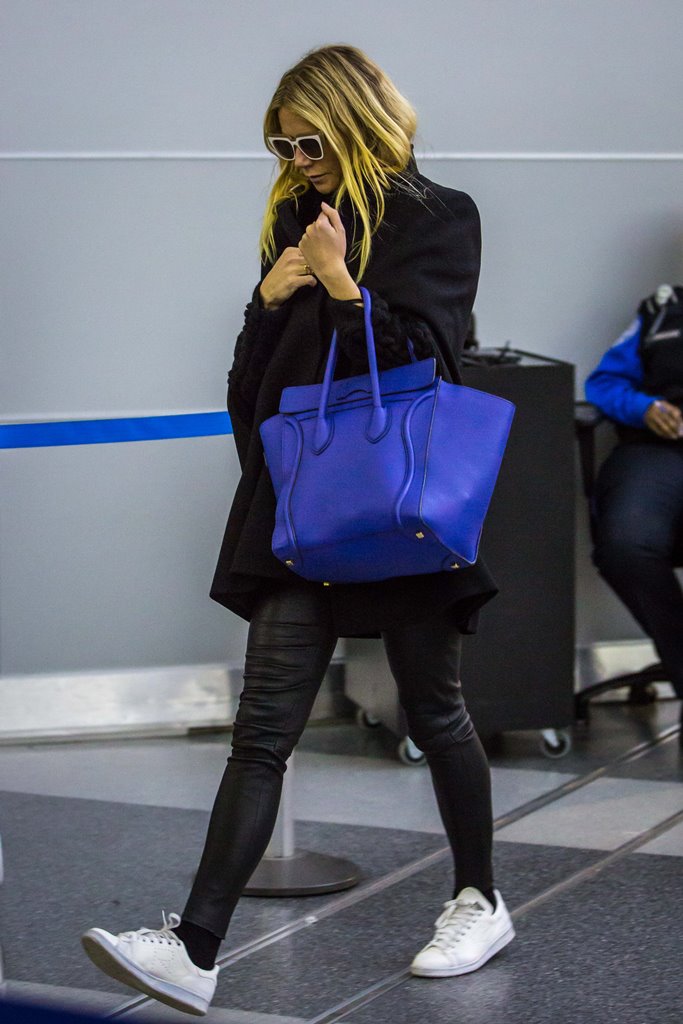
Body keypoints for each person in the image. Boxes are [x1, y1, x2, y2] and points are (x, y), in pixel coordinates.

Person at [80, 44, 515, 1016]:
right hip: (302, 503)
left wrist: (342, 286)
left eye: (309, 142)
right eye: (281, 147)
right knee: (262, 730)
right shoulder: (293, 220)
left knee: (434, 710)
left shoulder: (439, 217)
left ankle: (479, 899)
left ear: (355, 122)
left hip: (396, 501)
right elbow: (256, 394)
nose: (295, 162)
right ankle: (193, 949)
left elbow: (431, 364)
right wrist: (267, 301)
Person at [585, 284, 683, 734]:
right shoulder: (662, 310)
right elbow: (602, 384)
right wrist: (645, 408)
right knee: (625, 544)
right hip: (659, 447)